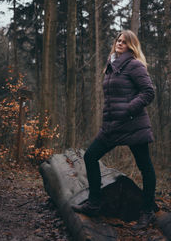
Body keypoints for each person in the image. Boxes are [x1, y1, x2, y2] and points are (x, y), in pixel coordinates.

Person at [72, 30, 156, 229]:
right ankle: (94, 203)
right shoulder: (111, 65)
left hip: (133, 124)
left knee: (145, 167)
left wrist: (128, 109)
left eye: (125, 42)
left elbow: (148, 92)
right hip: (112, 126)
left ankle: (148, 211)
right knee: (90, 156)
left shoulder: (134, 65)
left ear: (131, 46)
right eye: (118, 40)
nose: (120, 43)